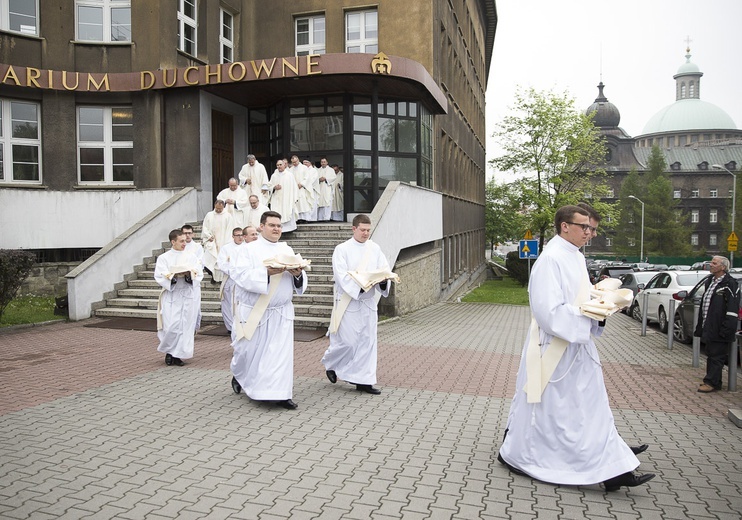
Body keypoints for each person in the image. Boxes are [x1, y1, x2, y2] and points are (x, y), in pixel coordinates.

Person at [497, 205, 655, 492]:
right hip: (555, 348)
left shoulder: (574, 256)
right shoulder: (551, 259)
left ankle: (610, 457)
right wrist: (589, 313)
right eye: (584, 227)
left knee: (589, 406)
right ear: (564, 226)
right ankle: (532, 456)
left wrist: (603, 305)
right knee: (558, 411)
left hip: (577, 345)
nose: (589, 233)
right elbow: (548, 311)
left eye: (592, 229)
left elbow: (578, 297)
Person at [229, 211, 308, 410]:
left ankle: (281, 394)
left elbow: (297, 279)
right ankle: (241, 375)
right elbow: (241, 275)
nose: (276, 229)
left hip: (281, 311)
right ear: (261, 227)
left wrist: (298, 274)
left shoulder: (286, 248)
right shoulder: (248, 250)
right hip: (256, 311)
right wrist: (266, 273)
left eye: (279, 226)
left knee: (279, 355)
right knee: (247, 352)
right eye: (272, 225)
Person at [322, 214, 392, 395]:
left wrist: (383, 281)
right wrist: (361, 287)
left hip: (368, 303)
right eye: (362, 230)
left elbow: (384, 269)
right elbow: (341, 276)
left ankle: (364, 381)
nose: (366, 233)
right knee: (349, 342)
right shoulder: (342, 249)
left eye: (368, 230)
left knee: (367, 342)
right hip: (348, 302)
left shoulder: (375, 248)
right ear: (354, 229)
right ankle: (331, 363)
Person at [154, 229, 204, 366]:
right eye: (181, 241)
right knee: (172, 326)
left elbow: (198, 273)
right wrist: (173, 277)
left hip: (187, 294)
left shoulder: (191, 256)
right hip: (172, 295)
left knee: (185, 327)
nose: (184, 243)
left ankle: (178, 355)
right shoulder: (164, 258)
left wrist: (188, 276)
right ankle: (169, 352)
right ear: (173, 242)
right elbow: (159, 275)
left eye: (185, 241)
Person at [695, 255, 740, 393]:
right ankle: (714, 381)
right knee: (711, 353)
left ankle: (711, 382)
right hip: (709, 325)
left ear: (723, 267)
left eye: (714, 263)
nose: (711, 265)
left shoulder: (730, 284)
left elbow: (733, 308)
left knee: (716, 355)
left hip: (720, 326)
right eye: (711, 262)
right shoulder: (710, 281)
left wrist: (727, 328)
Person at [216, 227, 245, 333]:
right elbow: (222, 263)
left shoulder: (247, 247)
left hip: (242, 279)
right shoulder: (226, 248)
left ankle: (241, 325)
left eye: (242, 235)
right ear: (233, 236)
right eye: (238, 235)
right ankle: (230, 326)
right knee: (228, 303)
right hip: (230, 279)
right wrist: (233, 272)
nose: (240, 237)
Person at [202, 200, 235, 283]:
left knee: (221, 260)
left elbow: (229, 230)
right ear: (214, 206)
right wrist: (208, 236)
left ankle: (220, 279)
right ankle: (212, 276)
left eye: (220, 209)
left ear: (224, 207)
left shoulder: (228, 216)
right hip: (212, 241)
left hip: (223, 240)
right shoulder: (209, 215)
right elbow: (205, 227)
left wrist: (227, 243)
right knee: (210, 259)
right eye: (217, 208)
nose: (218, 210)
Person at [182, 224, 204, 332]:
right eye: (185, 233)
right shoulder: (179, 246)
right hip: (181, 281)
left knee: (195, 306)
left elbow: (200, 262)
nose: (187, 235)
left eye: (189, 233)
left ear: (193, 234)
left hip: (193, 279)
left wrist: (191, 272)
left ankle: (194, 328)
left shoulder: (197, 247)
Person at [268, 159, 299, 232]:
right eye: (277, 165)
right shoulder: (274, 175)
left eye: (280, 165)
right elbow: (269, 185)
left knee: (287, 211)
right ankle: (278, 228)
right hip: (277, 198)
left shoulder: (289, 175)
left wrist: (295, 197)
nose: (279, 166)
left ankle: (289, 228)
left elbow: (294, 187)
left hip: (287, 198)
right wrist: (274, 187)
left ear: (284, 165)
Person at [291, 155, 316, 223]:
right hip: (295, 189)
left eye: (295, 162)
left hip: (302, 188)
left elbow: (307, 177)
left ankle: (305, 218)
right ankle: (298, 218)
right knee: (297, 203)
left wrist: (302, 184)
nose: (294, 163)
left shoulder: (304, 168)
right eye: (293, 162)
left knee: (303, 203)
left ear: (298, 160)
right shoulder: (291, 169)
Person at [316, 157, 337, 222]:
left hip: (327, 188)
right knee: (320, 203)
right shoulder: (318, 170)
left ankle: (326, 218)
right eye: (322, 162)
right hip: (320, 188)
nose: (323, 163)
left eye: (324, 162)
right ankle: (320, 218)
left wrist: (326, 179)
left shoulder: (331, 170)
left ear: (327, 162)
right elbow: (315, 179)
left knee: (327, 203)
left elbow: (333, 178)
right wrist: (319, 179)